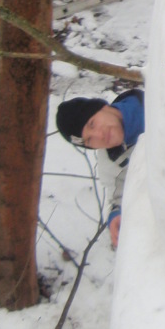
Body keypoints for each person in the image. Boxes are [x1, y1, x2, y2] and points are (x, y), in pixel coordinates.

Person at [56, 89, 144, 247]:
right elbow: (119, 196)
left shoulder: (154, 95)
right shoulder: (111, 163)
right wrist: (117, 214)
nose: (99, 135)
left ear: (103, 107)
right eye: (89, 140)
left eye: (92, 124)